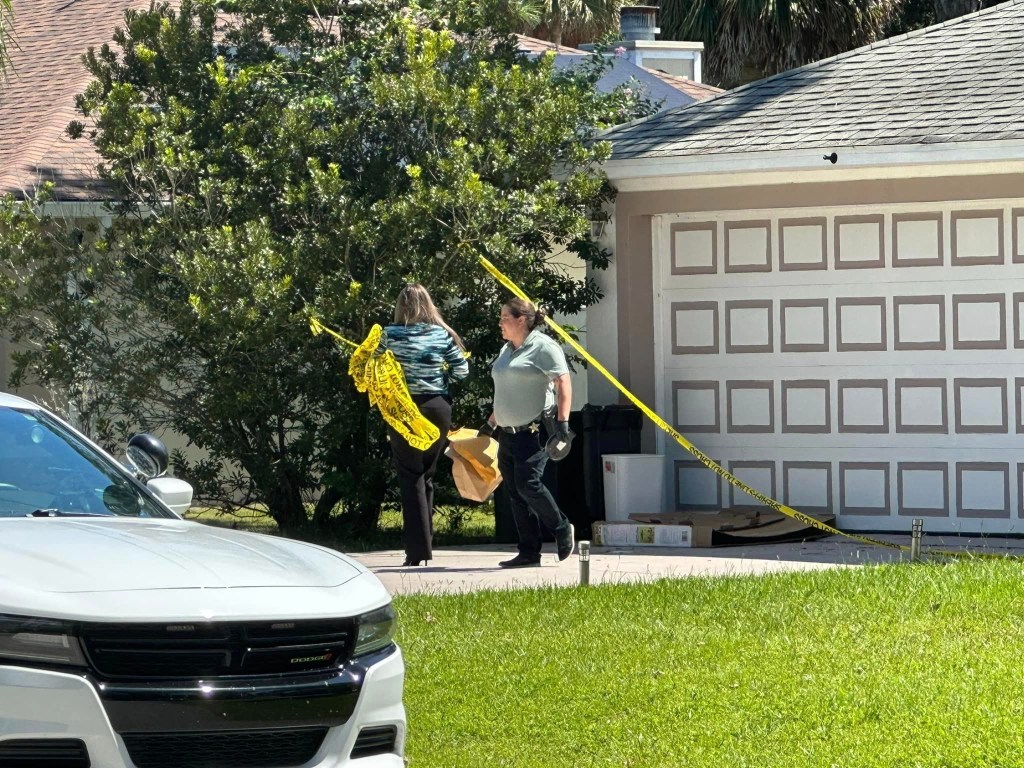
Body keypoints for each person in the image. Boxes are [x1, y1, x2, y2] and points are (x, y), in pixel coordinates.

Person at [484, 298, 575, 568]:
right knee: (514, 491)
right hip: (507, 433)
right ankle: (528, 551)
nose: (500, 323)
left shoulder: (544, 347)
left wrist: (563, 423)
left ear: (521, 319)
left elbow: (563, 382)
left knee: (528, 484)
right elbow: (506, 391)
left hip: (534, 432)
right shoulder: (506, 350)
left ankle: (561, 528)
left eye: (504, 318)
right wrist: (490, 422)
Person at [383, 283, 469, 567]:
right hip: (437, 406)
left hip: (404, 408)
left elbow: (374, 366)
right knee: (427, 474)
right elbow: (462, 371)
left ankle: (417, 551)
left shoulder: (389, 335)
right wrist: (440, 375)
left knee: (410, 475)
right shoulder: (441, 335)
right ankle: (426, 545)